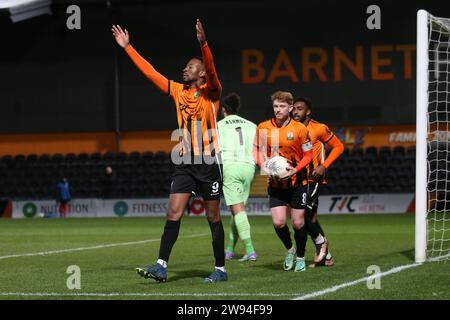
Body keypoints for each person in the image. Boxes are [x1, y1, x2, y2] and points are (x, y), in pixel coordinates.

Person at [112, 20, 226, 283]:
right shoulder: (177, 91)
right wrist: (128, 48)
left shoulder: (212, 92)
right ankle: (161, 265)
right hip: (184, 161)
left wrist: (203, 44)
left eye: (190, 67)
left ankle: (220, 269)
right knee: (173, 212)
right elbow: (151, 73)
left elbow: (211, 68)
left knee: (212, 217)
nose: (184, 69)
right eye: (185, 66)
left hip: (209, 162)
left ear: (201, 74)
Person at [253, 91, 317, 272]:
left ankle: (301, 257)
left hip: (298, 183)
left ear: (290, 108)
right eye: (275, 106)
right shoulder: (263, 127)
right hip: (275, 184)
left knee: (298, 223)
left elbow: (309, 155)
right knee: (279, 223)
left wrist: (296, 170)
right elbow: (256, 150)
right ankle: (290, 250)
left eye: (282, 106)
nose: (278, 109)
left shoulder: (300, 129)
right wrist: (263, 165)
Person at [291, 97, 344, 267]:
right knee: (311, 219)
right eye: (294, 108)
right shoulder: (291, 129)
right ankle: (326, 256)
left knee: (304, 216)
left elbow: (339, 146)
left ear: (308, 111)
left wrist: (324, 166)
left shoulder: (318, 128)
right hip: (298, 181)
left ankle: (321, 244)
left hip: (314, 179)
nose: (295, 111)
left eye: (300, 108)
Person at [217, 93, 257, 262]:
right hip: (249, 167)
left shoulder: (218, 125)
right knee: (237, 210)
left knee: (237, 210)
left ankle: (250, 250)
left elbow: (214, 150)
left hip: (230, 166)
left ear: (224, 110)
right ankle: (230, 249)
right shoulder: (252, 125)